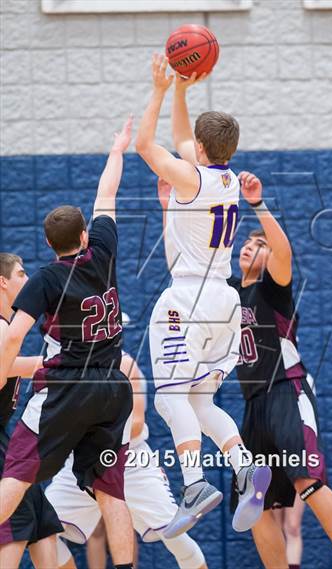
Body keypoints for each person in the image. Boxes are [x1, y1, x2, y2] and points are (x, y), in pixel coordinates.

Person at [136, 55, 271, 539]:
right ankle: (243, 466)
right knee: (198, 398)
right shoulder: (228, 179)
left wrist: (156, 88)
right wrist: (181, 90)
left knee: (171, 398)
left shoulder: (190, 179)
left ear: (201, 147)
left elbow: (146, 145)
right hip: (224, 305)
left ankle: (193, 485)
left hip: (187, 302)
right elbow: (178, 143)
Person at [0, 117, 135, 569]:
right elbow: (107, 195)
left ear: (47, 243)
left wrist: (4, 369)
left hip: (65, 389)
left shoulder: (44, 278)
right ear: (83, 236)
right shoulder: (104, 248)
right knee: (110, 491)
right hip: (112, 391)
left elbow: (15, 336)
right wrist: (117, 150)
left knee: (17, 476)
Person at [227, 171, 332, 569]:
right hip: (253, 404)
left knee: (306, 480)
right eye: (247, 242)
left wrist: (257, 205)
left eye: (258, 245)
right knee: (253, 502)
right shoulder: (227, 292)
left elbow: (284, 252)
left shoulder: (273, 289)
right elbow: (186, 262)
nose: (250, 246)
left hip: (285, 390)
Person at [46, 331, 208, 569]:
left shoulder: (125, 364)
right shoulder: (70, 366)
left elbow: (136, 424)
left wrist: (89, 427)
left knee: (175, 536)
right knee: (41, 526)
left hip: (130, 462)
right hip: (81, 461)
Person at [0, 252, 63, 569]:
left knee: (43, 525)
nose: (27, 280)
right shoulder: (1, 329)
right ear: (3, 282)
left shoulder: (7, 328)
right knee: (14, 527)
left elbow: (18, 367)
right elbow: (11, 368)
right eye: (21, 274)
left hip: (8, 441)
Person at [273, 372, 316, 569]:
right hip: (270, 455)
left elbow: (310, 423)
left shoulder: (306, 380)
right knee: (274, 528)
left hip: (298, 456)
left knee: (292, 525)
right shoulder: (262, 377)